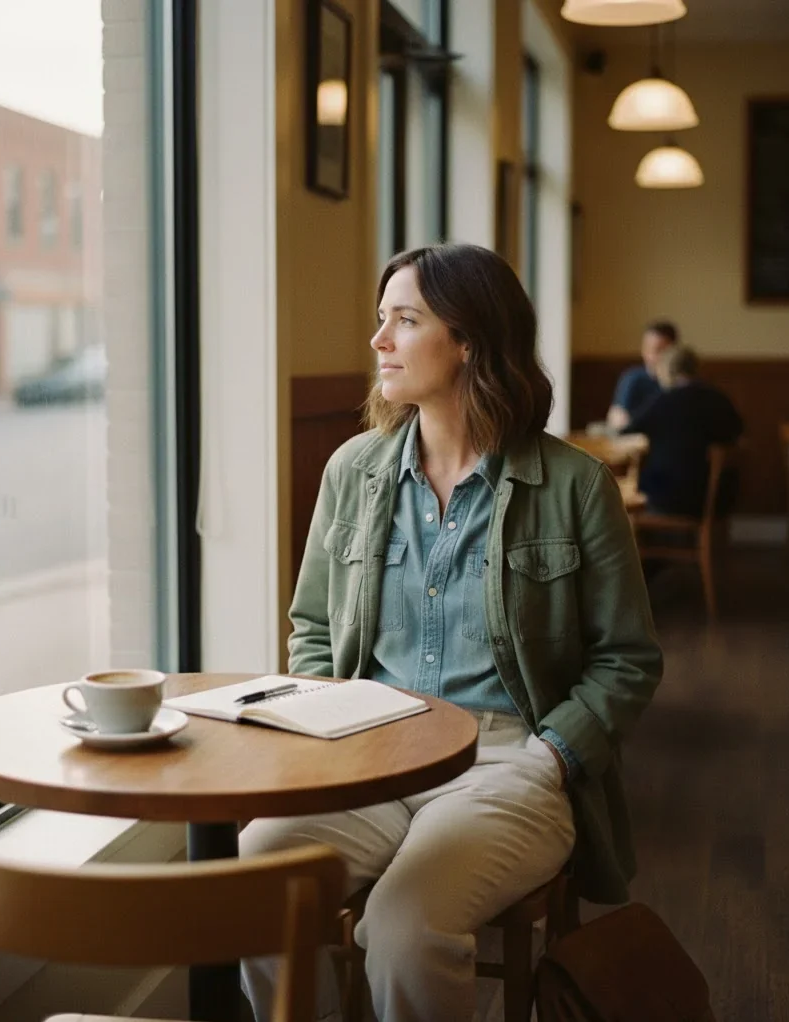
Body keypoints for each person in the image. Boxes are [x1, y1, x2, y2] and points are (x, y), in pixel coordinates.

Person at [240, 243, 663, 1022]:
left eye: (405, 320)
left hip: (507, 762)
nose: (380, 341)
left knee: (404, 926)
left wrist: (551, 756)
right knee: (261, 871)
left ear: (469, 340)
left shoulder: (575, 485)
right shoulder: (352, 472)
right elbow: (311, 628)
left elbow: (626, 659)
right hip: (367, 759)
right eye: (382, 320)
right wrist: (325, 726)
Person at [625, 345, 743, 517]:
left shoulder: (663, 401)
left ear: (666, 370)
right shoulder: (718, 399)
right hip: (714, 499)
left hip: (666, 497)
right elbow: (738, 434)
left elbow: (628, 431)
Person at [606, 320, 678, 431]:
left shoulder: (682, 383)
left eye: (658, 350)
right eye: (647, 349)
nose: (650, 356)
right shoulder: (632, 379)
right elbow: (617, 417)